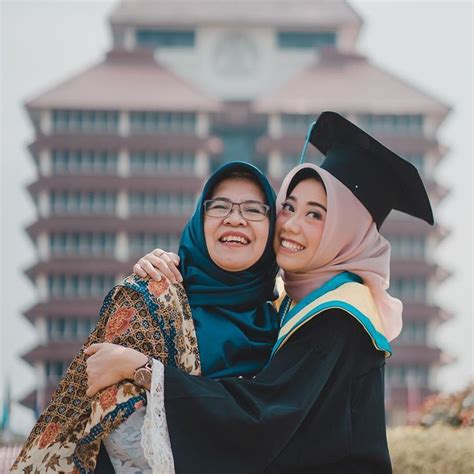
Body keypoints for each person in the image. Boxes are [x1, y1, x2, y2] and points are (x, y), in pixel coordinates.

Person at [84, 111, 434, 473]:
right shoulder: (281, 304)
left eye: (316, 216)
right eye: (290, 207)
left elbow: (262, 416)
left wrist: (142, 369)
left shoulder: (339, 314)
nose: (292, 227)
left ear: (346, 232)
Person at [12, 161, 279, 473]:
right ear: (198, 220)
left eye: (254, 209)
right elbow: (125, 446)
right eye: (219, 206)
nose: (235, 219)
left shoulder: (282, 321)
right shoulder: (150, 300)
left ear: (273, 226)